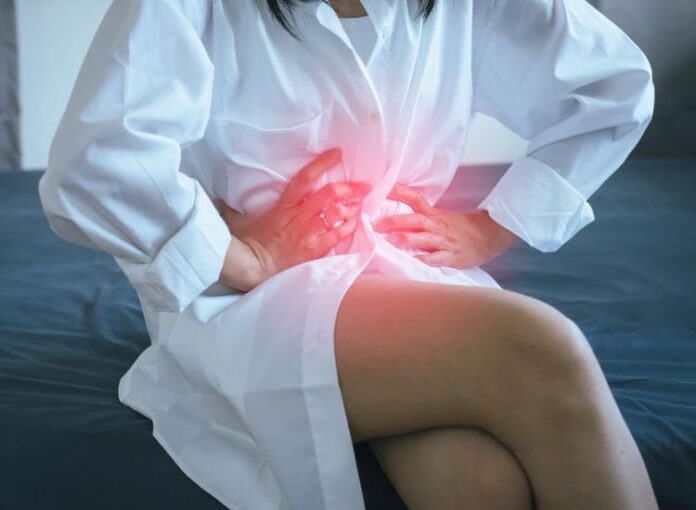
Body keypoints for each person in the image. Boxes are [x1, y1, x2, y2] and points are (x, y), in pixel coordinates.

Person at [38, 0, 657, 508]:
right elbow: (96, 161)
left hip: (408, 277)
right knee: (545, 346)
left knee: (478, 485)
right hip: (251, 304)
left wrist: (495, 226)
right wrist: (243, 254)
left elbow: (614, 86)